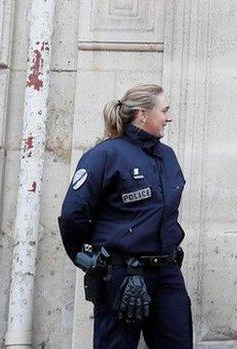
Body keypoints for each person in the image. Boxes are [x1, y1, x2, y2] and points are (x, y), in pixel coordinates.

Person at [58, 83, 191, 348]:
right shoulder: (104, 156)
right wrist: (92, 262)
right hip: (121, 276)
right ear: (142, 114)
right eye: (164, 111)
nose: (169, 117)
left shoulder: (167, 156)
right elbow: (73, 215)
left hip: (167, 275)